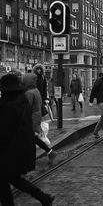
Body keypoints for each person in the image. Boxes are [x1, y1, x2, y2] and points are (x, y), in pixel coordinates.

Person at [0, 74, 55, 205]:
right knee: (14, 179)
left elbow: (5, 131)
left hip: (9, 151)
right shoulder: (21, 101)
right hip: (21, 149)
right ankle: (44, 197)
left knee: (4, 180)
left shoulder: (8, 105)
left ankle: (43, 198)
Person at [23, 73, 57, 165]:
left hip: (31, 118)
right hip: (36, 117)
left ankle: (48, 153)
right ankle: (50, 152)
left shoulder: (29, 93)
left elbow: (27, 107)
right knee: (33, 138)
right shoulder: (35, 90)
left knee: (31, 138)